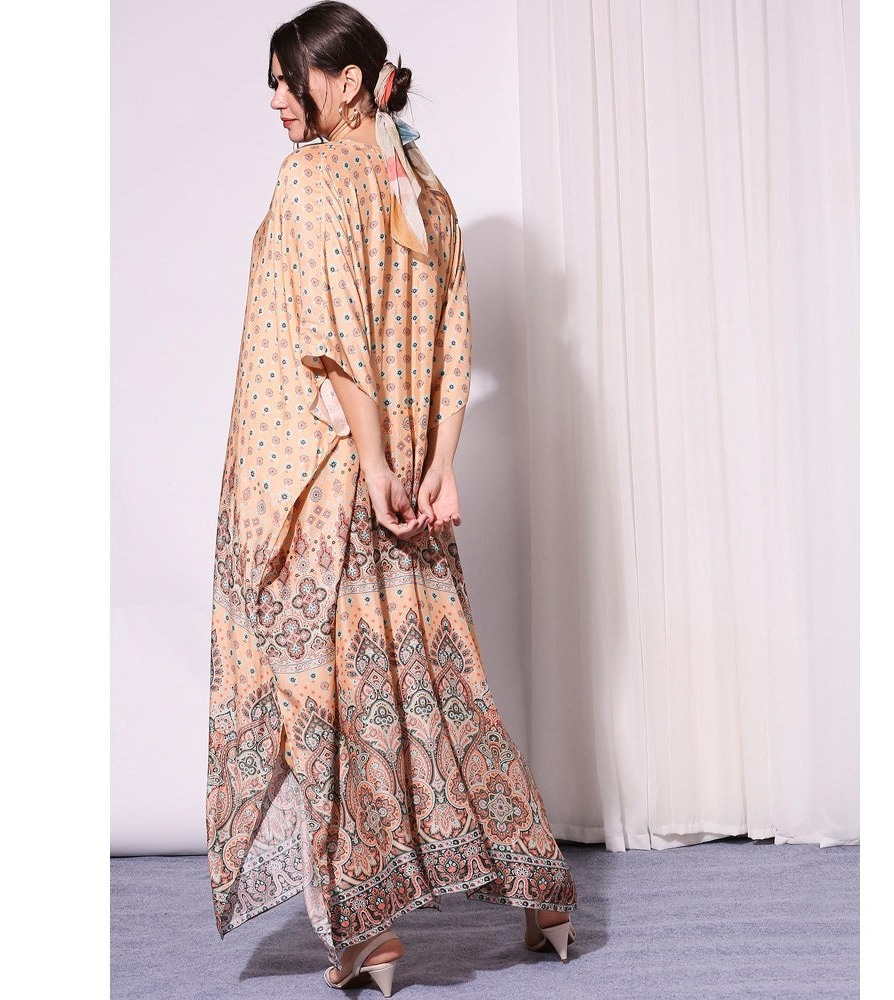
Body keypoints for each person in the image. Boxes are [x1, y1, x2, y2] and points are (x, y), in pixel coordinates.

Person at [207, 3, 578, 994]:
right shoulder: (426, 187)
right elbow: (454, 337)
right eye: (273, 80)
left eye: (289, 77)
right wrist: (438, 466)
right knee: (442, 688)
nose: (277, 98)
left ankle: (368, 935)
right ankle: (544, 897)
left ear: (349, 81)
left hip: (334, 482)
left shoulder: (313, 178)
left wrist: (371, 467)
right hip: (413, 480)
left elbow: (331, 344)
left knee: (335, 706)